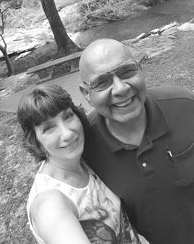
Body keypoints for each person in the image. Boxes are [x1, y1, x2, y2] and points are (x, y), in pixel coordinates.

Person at [79, 38, 194, 244]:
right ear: (86, 94)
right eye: (102, 82)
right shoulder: (84, 147)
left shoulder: (185, 107)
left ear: (141, 70)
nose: (121, 88)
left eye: (127, 71)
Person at [17, 84, 140, 244]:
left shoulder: (83, 159)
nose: (67, 133)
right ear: (36, 142)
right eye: (48, 128)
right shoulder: (50, 204)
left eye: (67, 116)